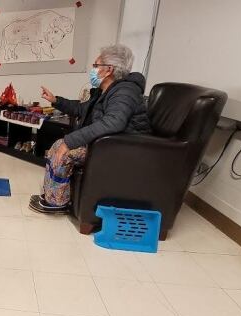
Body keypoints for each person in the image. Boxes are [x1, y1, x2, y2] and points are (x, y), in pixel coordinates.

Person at [30, 44, 151, 214]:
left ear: (109, 69)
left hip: (120, 150)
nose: (93, 70)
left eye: (96, 65)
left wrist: (70, 142)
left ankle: (57, 203)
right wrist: (55, 100)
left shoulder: (125, 92)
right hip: (106, 145)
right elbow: (81, 108)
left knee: (64, 151)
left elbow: (114, 122)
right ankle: (52, 196)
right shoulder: (106, 91)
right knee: (58, 145)